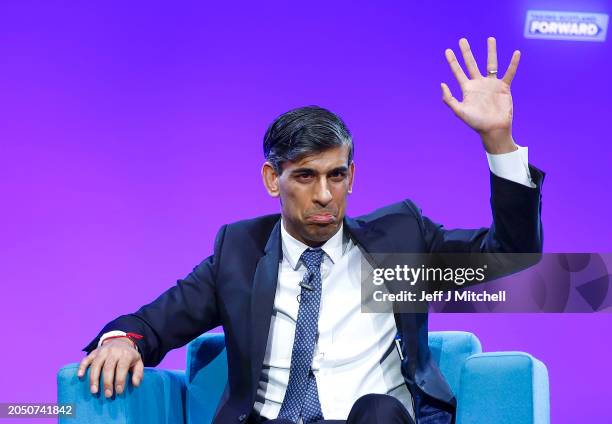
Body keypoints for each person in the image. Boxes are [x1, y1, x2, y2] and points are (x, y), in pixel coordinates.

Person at [77, 37, 544, 424]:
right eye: (305, 176)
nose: (325, 195)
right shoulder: (239, 252)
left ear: (352, 177)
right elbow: (153, 323)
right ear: (271, 180)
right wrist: (121, 341)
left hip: (374, 421)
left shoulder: (400, 239)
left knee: (378, 412)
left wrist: (497, 142)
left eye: (336, 176)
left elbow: (513, 254)